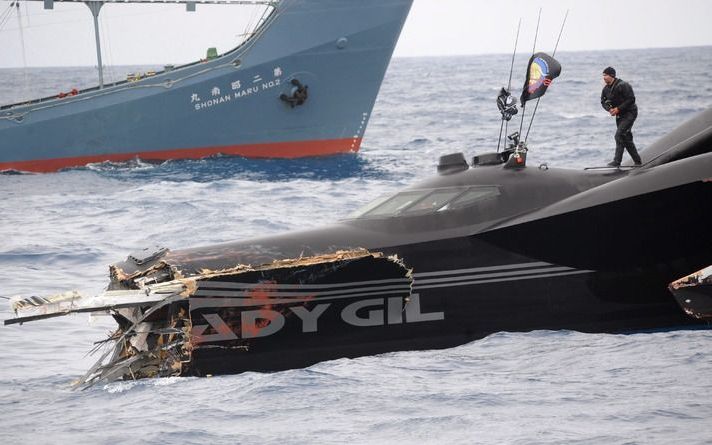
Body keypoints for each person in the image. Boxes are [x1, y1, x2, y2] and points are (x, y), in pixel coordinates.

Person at [600, 67, 642, 167]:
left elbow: (631, 99)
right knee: (626, 137)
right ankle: (638, 162)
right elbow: (603, 101)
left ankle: (617, 161)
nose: (604, 78)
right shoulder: (606, 89)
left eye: (605, 75)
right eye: (603, 76)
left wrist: (618, 108)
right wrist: (609, 109)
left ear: (612, 76)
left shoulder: (623, 85)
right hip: (620, 116)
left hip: (630, 113)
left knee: (619, 135)